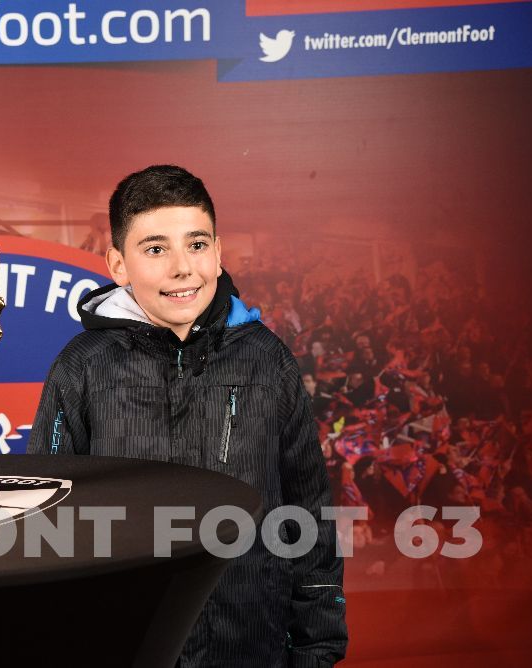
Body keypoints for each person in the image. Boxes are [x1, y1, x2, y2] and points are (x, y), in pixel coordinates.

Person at [28, 165, 347, 667]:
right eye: (155, 249)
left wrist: (317, 647)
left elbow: (308, 511)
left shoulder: (267, 358)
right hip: (125, 645)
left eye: (196, 244)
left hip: (251, 646)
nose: (182, 268)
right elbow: (46, 524)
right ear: (118, 264)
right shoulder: (82, 367)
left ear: (218, 252)